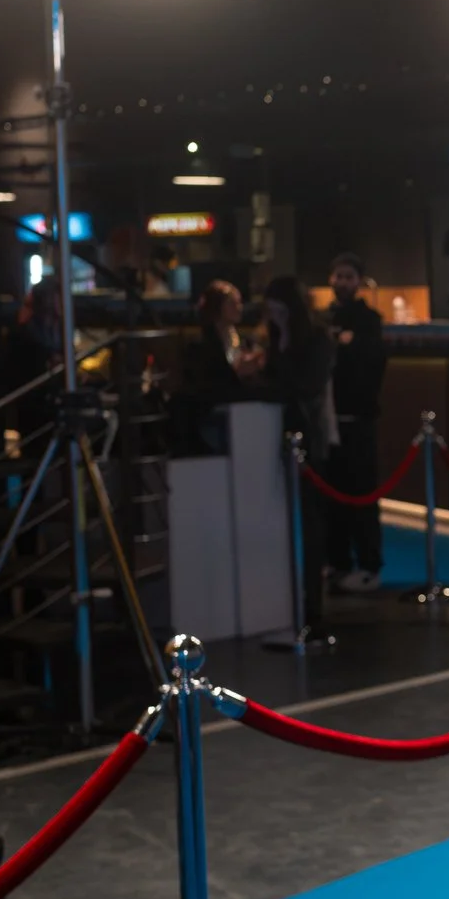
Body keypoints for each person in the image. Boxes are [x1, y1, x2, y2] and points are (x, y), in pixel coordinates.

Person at [257, 275, 338, 624]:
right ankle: (291, 590)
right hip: (279, 432)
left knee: (310, 516)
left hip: (307, 434)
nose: (273, 314)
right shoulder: (277, 336)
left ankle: (313, 595)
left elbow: (306, 386)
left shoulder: (316, 338)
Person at [322, 253, 390, 590]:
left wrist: (349, 347)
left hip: (358, 417)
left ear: (358, 281)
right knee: (332, 495)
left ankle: (368, 564)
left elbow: (372, 365)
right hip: (329, 417)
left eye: (349, 277)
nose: (342, 282)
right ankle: (337, 560)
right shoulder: (322, 318)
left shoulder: (369, 319)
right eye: (338, 276)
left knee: (361, 492)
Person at [172, 278, 259, 454]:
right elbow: (205, 383)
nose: (239, 307)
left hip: (240, 414)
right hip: (209, 414)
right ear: (217, 306)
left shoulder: (244, 342)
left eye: (239, 302)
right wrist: (237, 373)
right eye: (232, 303)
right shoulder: (200, 345)